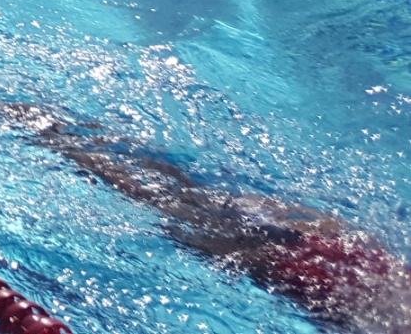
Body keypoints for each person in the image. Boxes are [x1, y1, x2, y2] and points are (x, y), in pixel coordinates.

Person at [29, 112, 411, 331]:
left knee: (186, 190)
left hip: (340, 240)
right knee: (157, 202)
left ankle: (68, 129)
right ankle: (57, 140)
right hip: (289, 266)